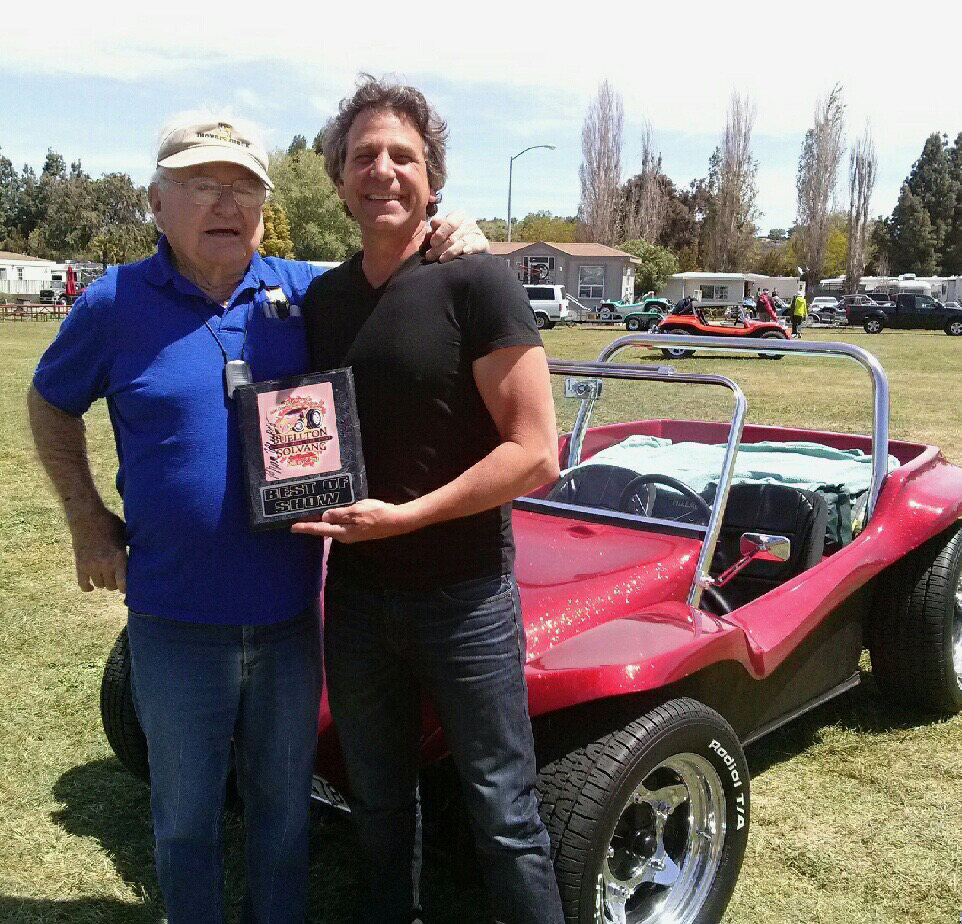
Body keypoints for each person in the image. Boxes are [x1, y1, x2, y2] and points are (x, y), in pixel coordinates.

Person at [27, 111, 487, 924]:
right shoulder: (113, 303)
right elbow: (49, 403)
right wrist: (88, 522)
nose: (225, 203)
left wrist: (460, 235)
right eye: (201, 184)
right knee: (186, 823)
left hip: (287, 624)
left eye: (244, 187)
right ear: (156, 201)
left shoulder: (307, 293)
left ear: (265, 209)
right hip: (173, 623)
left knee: (282, 817)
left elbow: (394, 267)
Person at [293, 76, 564, 924]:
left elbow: (535, 453)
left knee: (504, 815)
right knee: (377, 808)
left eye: (402, 156)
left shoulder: (476, 282)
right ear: (340, 180)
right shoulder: (322, 301)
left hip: (465, 599)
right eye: (363, 156)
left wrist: (405, 518)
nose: (383, 170)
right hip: (358, 601)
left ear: (432, 178)